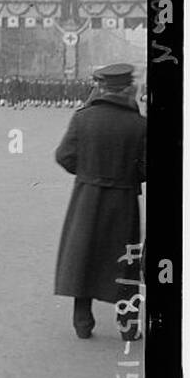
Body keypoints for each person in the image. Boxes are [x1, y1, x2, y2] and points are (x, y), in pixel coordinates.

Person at [53, 63, 147, 340]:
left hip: (87, 198)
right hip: (124, 200)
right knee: (125, 260)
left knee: (84, 256)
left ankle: (83, 322)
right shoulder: (139, 124)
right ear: (129, 88)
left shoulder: (83, 117)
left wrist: (87, 174)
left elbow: (63, 155)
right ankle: (128, 327)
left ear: (102, 87)